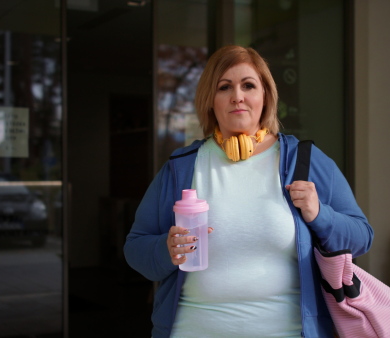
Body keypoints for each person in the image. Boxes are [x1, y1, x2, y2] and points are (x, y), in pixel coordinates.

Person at [124, 45, 373, 338]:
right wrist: (165, 250)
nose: (237, 96)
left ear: (265, 96)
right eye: (224, 87)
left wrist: (320, 214)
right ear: (210, 100)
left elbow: (361, 237)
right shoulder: (181, 168)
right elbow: (135, 247)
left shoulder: (305, 161)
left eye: (248, 85)